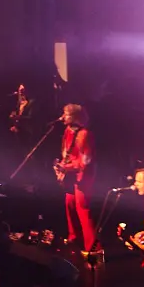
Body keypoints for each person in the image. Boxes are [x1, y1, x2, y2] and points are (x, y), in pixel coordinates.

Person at [54, 103, 97, 252]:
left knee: (82, 208)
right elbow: (66, 153)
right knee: (69, 204)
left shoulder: (84, 134)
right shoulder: (68, 131)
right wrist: (61, 167)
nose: (62, 116)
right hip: (71, 174)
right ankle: (74, 238)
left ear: (74, 117)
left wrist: (66, 167)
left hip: (83, 176)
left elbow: (85, 162)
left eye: (65, 114)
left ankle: (92, 247)